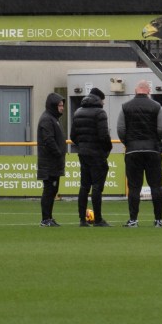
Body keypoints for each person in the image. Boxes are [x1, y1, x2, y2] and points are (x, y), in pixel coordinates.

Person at [116, 79, 162, 227]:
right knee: (156, 186)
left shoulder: (125, 107)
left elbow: (120, 129)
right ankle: (158, 220)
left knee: (134, 187)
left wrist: (128, 143)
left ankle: (133, 220)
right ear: (148, 91)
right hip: (152, 150)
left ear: (136, 90)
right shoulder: (157, 106)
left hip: (132, 151)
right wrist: (155, 141)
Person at [71, 87, 113, 227]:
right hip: (97, 154)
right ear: (99, 99)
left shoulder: (77, 112)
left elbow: (73, 136)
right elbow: (104, 136)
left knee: (84, 186)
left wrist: (82, 145)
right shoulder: (100, 113)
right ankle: (98, 219)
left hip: (83, 153)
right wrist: (107, 149)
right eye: (103, 100)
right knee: (97, 187)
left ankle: (82, 220)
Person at [36, 92, 66, 227]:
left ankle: (49, 217)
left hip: (54, 162)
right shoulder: (47, 119)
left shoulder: (53, 119)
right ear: (53, 106)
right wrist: (58, 153)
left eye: (63, 105)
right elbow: (49, 140)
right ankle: (45, 219)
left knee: (53, 190)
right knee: (49, 190)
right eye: (60, 105)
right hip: (49, 162)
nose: (62, 108)